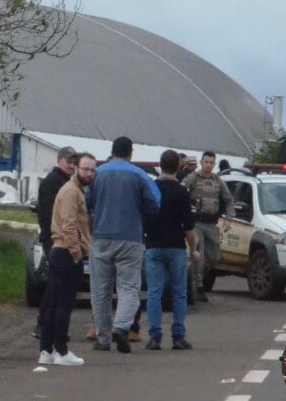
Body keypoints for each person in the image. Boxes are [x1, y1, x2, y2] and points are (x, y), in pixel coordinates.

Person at [86, 136, 159, 353]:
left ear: (112, 151)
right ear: (131, 153)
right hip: (130, 239)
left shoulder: (98, 173)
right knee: (128, 287)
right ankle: (122, 326)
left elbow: (87, 203)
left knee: (100, 290)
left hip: (100, 238)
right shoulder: (139, 175)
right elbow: (154, 203)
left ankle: (103, 338)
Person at [41, 152, 96, 366]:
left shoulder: (75, 190)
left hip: (61, 251)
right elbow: (69, 225)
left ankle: (46, 351)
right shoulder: (71, 192)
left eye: (93, 170)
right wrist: (76, 254)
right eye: (86, 169)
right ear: (75, 168)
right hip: (65, 253)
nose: (89, 174)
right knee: (63, 304)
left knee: (53, 304)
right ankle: (61, 352)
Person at [143, 150, 197, 351]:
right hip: (176, 247)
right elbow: (189, 226)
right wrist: (193, 249)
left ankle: (155, 336)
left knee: (154, 292)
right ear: (179, 167)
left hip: (153, 245)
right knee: (179, 293)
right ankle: (178, 336)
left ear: (160, 165)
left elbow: (145, 216)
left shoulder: (151, 189)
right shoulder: (182, 192)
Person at [33, 146, 78, 341]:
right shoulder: (53, 183)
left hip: (60, 239)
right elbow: (55, 216)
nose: (71, 165)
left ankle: (50, 325)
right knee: (56, 284)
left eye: (73, 162)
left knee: (59, 284)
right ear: (59, 160)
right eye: (68, 161)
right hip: (55, 240)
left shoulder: (66, 182)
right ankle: (44, 325)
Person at [182, 150, 228, 305]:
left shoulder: (218, 181)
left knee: (214, 256)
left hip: (212, 223)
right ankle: (199, 285)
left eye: (211, 162)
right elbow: (181, 190)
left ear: (214, 164)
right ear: (201, 163)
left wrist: (229, 218)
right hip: (197, 223)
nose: (208, 165)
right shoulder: (193, 178)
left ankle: (197, 276)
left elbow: (228, 199)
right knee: (199, 253)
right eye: (206, 162)